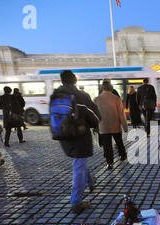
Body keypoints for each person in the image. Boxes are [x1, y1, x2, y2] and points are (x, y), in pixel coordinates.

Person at [51, 70, 101, 214]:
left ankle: (90, 182)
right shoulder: (82, 95)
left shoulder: (56, 95)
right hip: (80, 135)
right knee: (79, 164)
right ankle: (76, 202)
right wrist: (93, 125)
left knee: (81, 160)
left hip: (62, 135)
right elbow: (95, 116)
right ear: (75, 80)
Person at [94, 79, 128, 170]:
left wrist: (95, 126)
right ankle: (123, 156)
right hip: (115, 125)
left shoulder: (96, 99)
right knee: (119, 142)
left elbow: (95, 114)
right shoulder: (116, 98)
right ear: (111, 88)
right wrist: (125, 127)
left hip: (103, 126)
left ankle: (109, 163)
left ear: (102, 88)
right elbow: (121, 113)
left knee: (107, 145)